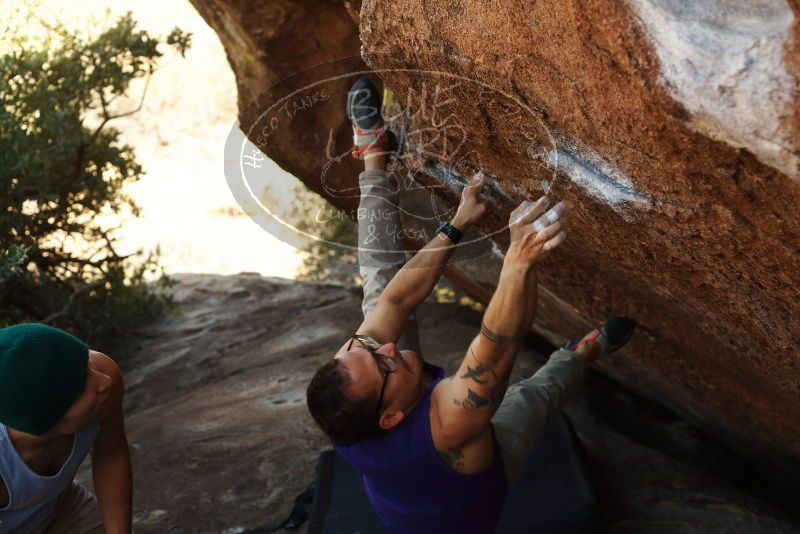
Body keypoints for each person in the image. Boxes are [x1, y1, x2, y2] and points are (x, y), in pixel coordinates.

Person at [306, 77, 635, 534]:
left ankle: (374, 156)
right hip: (471, 499)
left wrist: (455, 225)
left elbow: (399, 296)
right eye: (381, 364)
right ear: (391, 418)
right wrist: (518, 260)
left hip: (402, 484)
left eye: (364, 350)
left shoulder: (351, 386)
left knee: (380, 289)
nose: (382, 347)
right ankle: (583, 353)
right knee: (534, 397)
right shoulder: (451, 424)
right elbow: (498, 344)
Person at [0, 323, 132, 534]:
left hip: (61, 508)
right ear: (44, 418)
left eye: (84, 363)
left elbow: (110, 453)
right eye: (80, 384)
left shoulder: (104, 371)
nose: (104, 381)